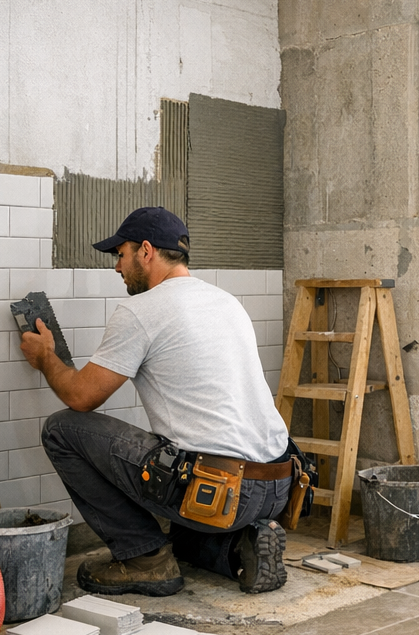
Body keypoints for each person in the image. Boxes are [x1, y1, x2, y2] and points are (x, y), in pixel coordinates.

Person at [20, 206, 294, 597]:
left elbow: (81, 397)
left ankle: (143, 559)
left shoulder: (141, 310)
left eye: (121, 254)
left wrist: (46, 357)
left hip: (223, 489)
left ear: (146, 251)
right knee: (181, 534)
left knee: (62, 429)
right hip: (276, 486)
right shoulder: (226, 301)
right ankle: (241, 548)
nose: (117, 267)